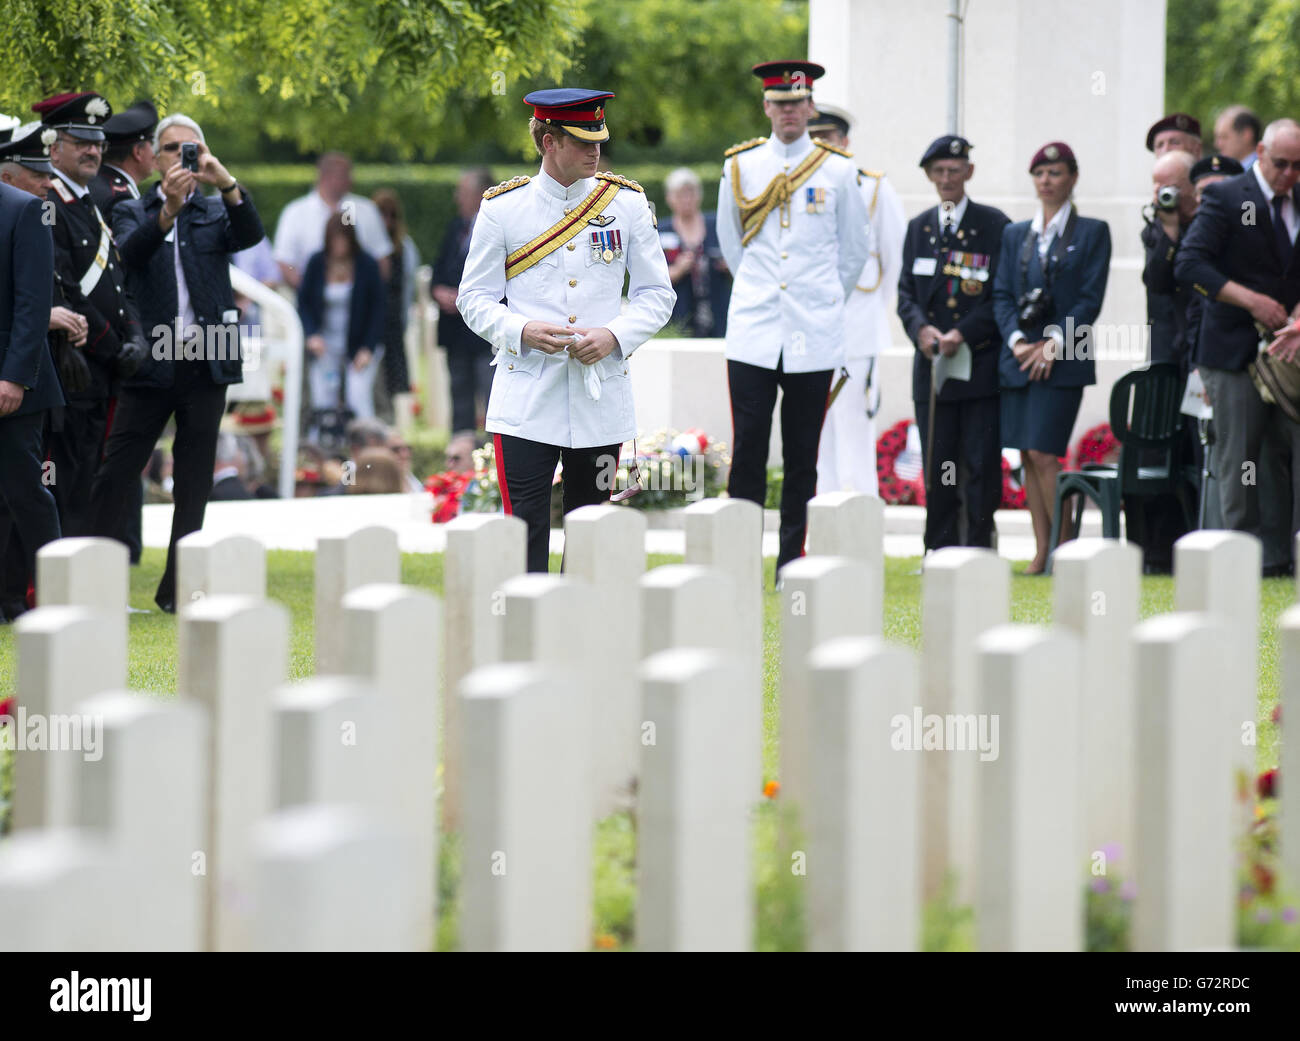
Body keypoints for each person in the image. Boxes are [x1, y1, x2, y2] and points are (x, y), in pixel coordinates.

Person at [457, 87, 674, 573]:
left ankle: (582, 641)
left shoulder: (628, 204)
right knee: (524, 532)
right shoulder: (503, 208)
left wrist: (616, 335)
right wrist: (520, 329)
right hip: (526, 395)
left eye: (599, 138)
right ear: (548, 140)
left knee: (591, 533)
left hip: (599, 397)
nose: (595, 149)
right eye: (581, 140)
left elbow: (657, 294)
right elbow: (472, 298)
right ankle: (525, 637)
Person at [88, 112, 264, 613]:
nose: (180, 159)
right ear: (154, 157)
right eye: (170, 149)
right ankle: (92, 583)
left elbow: (250, 234)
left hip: (204, 362)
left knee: (193, 482)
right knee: (117, 471)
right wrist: (165, 209)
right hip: (153, 359)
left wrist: (224, 180)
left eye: (191, 150)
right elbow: (128, 254)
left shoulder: (213, 210)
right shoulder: (135, 207)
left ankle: (178, 590)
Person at [717, 61, 870, 581]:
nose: (788, 113)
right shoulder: (740, 166)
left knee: (803, 455)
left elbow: (852, 253)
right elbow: (729, 245)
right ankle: (739, 563)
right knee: (748, 450)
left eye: (796, 103)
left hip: (814, 332)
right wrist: (765, 294)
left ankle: (790, 562)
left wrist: (820, 300)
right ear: (766, 107)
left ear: (810, 107)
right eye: (778, 104)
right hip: (755, 331)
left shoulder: (839, 170)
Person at [1176, 119, 1300, 578]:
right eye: (1281, 163)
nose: (1289, 174)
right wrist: (1250, 300)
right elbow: (1189, 264)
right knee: (1241, 459)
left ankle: (1283, 555)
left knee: (1282, 457)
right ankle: (1240, 560)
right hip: (1233, 348)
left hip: (1291, 349)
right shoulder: (1228, 197)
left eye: (1298, 166)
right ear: (1261, 153)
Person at [992, 142, 1112, 574]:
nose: (1046, 181)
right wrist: (1018, 342)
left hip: (1066, 356)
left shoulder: (1093, 231)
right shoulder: (1014, 234)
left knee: (1045, 452)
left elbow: (1089, 299)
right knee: (1025, 453)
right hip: (1020, 356)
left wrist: (1054, 344)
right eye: (1040, 174)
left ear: (1073, 178)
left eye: (1056, 173)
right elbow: (1002, 294)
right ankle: (1041, 547)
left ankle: (1060, 547)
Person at [32, 91, 148, 537]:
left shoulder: (89, 203)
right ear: (52, 146)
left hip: (104, 371)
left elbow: (117, 286)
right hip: (76, 369)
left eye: (97, 141)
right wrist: (115, 347)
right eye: (80, 140)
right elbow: (64, 290)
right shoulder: (50, 206)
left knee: (92, 488)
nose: (93, 150)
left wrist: (135, 337)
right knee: (68, 487)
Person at [897, 134, 1010, 551]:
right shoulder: (919, 227)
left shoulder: (993, 225)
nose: (947, 178)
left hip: (978, 364)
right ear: (929, 175)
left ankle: (979, 544)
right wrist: (921, 329)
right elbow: (906, 293)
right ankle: (939, 547)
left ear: (969, 172)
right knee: (939, 462)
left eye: (954, 170)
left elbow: (1002, 292)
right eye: (939, 171)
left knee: (980, 463)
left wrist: (964, 332)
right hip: (933, 369)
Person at [808, 104, 905, 498]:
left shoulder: (874, 188)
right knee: (817, 427)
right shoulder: (797, 188)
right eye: (814, 141)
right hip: (811, 327)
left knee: (855, 423)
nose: (821, 148)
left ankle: (861, 505)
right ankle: (823, 505)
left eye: (828, 139)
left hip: (857, 326)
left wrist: (869, 312)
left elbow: (894, 258)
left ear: (844, 141)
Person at [0, 132, 63, 623]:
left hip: (13, 383)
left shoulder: (25, 210)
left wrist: (15, 376)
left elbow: (33, 304)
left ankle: (63, 596)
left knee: (26, 493)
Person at [1132, 148, 1201, 571]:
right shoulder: (1156, 227)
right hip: (1167, 354)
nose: (1162, 192)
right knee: (1162, 451)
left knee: (1199, 449)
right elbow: (1157, 281)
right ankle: (1158, 549)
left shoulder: (1214, 220)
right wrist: (1170, 231)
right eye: (1156, 184)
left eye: (1170, 183)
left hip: (1201, 350)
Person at [298, 212, 385, 428]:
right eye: (335, 239)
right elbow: (304, 303)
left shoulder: (367, 265)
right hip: (325, 344)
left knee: (358, 397)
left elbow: (378, 310)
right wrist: (311, 335)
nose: (339, 245)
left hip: (359, 343)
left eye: (343, 239)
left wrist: (368, 347)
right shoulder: (317, 262)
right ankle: (322, 448)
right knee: (323, 399)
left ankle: (366, 447)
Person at [433, 167, 496, 454]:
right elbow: (439, 270)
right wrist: (439, 291)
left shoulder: (498, 228)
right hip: (456, 334)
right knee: (459, 395)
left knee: (491, 394)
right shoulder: (456, 228)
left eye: (463, 192)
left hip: (485, 336)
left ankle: (493, 456)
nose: (457, 198)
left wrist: (467, 299)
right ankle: (460, 455)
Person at [273, 152, 392, 289]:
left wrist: (370, 295)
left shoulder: (366, 210)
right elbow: (285, 261)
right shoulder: (295, 212)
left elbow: (382, 259)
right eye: (345, 175)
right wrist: (309, 293)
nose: (351, 180)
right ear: (326, 176)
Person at [659, 166, 731, 337]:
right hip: (679, 318)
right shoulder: (660, 230)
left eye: (690, 193)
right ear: (669, 198)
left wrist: (729, 265)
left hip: (719, 314)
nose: (686, 199)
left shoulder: (717, 224)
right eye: (679, 195)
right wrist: (678, 270)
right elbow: (651, 278)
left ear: (699, 195)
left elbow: (741, 261)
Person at [372, 188, 420, 423]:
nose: (387, 221)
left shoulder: (404, 248)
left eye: (391, 215)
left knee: (388, 387)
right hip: (370, 324)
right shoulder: (365, 246)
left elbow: (407, 290)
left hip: (391, 325)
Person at [90, 100, 157, 220]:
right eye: (151, 144)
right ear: (138, 152)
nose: (154, 154)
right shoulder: (119, 198)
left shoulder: (96, 182)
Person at [1214, 105, 1262, 169]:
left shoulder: (1262, 171)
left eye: (1224, 137)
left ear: (1246, 135)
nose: (1217, 144)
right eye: (1217, 137)